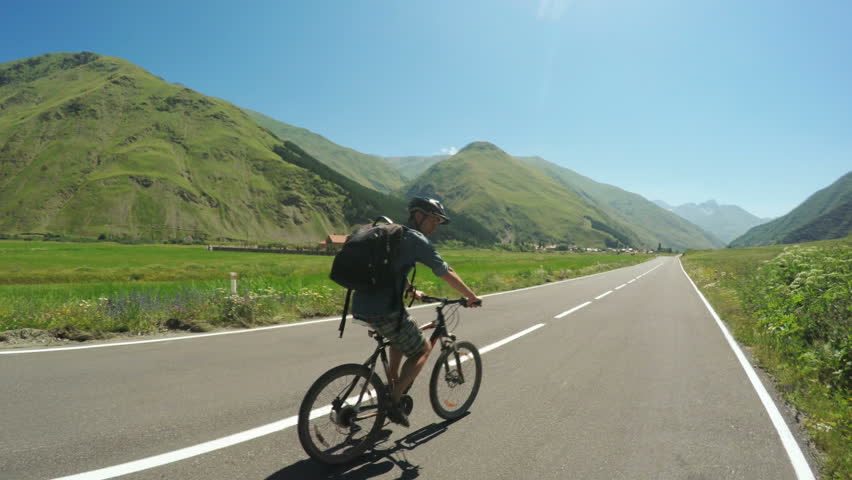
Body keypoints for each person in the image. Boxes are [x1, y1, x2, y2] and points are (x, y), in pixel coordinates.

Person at [351, 197, 483, 427]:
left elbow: (390, 269)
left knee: (399, 337)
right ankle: (393, 400)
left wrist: (411, 290)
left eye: (438, 223)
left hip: (361, 305)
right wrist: (471, 296)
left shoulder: (394, 235)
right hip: (384, 310)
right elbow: (444, 270)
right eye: (433, 220)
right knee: (422, 348)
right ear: (419, 215)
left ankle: (393, 383)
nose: (435, 227)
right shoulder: (415, 239)